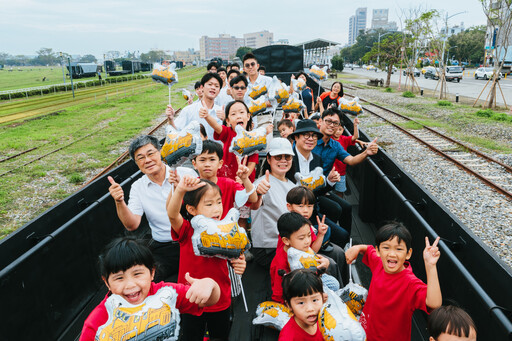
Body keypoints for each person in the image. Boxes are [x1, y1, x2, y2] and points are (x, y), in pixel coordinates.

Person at [79, 236, 220, 341]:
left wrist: (210, 284)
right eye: (119, 278)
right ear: (107, 282)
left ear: (152, 272)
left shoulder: (166, 294)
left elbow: (210, 300)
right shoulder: (97, 323)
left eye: (137, 274)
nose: (130, 285)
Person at [166, 176, 247, 341]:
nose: (216, 208)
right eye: (209, 204)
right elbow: (172, 215)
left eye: (219, 202)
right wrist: (180, 189)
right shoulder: (187, 231)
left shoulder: (227, 232)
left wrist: (240, 264)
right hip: (191, 298)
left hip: (220, 297)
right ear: (192, 209)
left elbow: (237, 258)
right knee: (191, 335)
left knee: (220, 335)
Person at [107, 135, 197, 281]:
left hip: (193, 240)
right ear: (136, 163)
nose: (147, 160)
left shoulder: (185, 174)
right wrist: (119, 201)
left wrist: (183, 189)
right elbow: (132, 225)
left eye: (150, 153)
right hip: (164, 247)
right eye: (140, 157)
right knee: (146, 279)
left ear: (160, 152)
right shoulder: (138, 187)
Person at [345, 222, 442, 341]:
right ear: (379, 251)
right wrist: (358, 247)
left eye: (399, 249)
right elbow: (369, 249)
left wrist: (430, 266)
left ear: (408, 254)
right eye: (386, 247)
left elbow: (434, 303)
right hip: (366, 333)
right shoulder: (379, 263)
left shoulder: (410, 283)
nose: (392, 253)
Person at [286, 119, 350, 245]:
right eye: (306, 135)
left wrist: (329, 182)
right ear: (296, 137)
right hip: (293, 213)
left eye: (314, 136)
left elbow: (316, 190)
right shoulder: (288, 160)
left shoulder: (317, 159)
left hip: (312, 209)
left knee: (343, 235)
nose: (311, 139)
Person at [179, 139, 258, 218]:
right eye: (202, 160)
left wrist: (245, 179)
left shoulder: (229, 184)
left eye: (212, 159)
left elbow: (253, 199)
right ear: (194, 164)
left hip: (224, 229)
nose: (207, 164)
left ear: (220, 164)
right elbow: (175, 210)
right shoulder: (191, 186)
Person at [251, 138, 297, 267]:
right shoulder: (261, 184)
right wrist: (258, 193)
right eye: (278, 157)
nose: (283, 160)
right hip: (269, 248)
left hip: (289, 244)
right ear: (269, 159)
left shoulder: (293, 185)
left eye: (287, 157)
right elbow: (254, 205)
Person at [285, 186, 348, 280]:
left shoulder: (307, 223)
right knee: (331, 263)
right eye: (301, 206)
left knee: (339, 252)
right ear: (289, 207)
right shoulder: (289, 225)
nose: (306, 210)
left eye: (309, 206)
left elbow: (311, 249)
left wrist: (320, 234)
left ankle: (343, 287)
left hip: (309, 253)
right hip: (298, 265)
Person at [270, 212, 331, 304]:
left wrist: (325, 263)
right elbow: (278, 295)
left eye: (309, 235)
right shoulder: (280, 262)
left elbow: (316, 262)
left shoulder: (301, 248)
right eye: (301, 238)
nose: (307, 241)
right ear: (286, 240)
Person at [166, 73, 224, 139]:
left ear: (219, 91)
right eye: (210, 84)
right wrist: (171, 119)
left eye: (216, 86)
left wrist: (225, 119)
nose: (213, 88)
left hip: (216, 149)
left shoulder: (222, 112)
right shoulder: (189, 110)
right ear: (202, 87)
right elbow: (176, 131)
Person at [278, 269, 327, 340]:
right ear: (289, 305)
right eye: (301, 303)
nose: (310, 309)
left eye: (314, 300)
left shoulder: (326, 319)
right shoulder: (288, 337)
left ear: (323, 298)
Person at [243, 53, 273, 130]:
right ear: (244, 69)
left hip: (264, 117)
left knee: (266, 141)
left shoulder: (268, 81)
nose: (250, 67)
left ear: (257, 66)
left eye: (252, 64)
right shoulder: (243, 84)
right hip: (248, 120)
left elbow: (274, 101)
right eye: (247, 65)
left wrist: (259, 105)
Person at [331, 117, 360, 197]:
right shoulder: (328, 139)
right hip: (330, 170)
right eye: (336, 129)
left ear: (343, 130)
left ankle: (340, 205)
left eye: (340, 130)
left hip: (341, 171)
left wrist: (355, 125)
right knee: (328, 191)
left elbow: (355, 137)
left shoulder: (344, 139)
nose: (337, 132)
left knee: (340, 191)